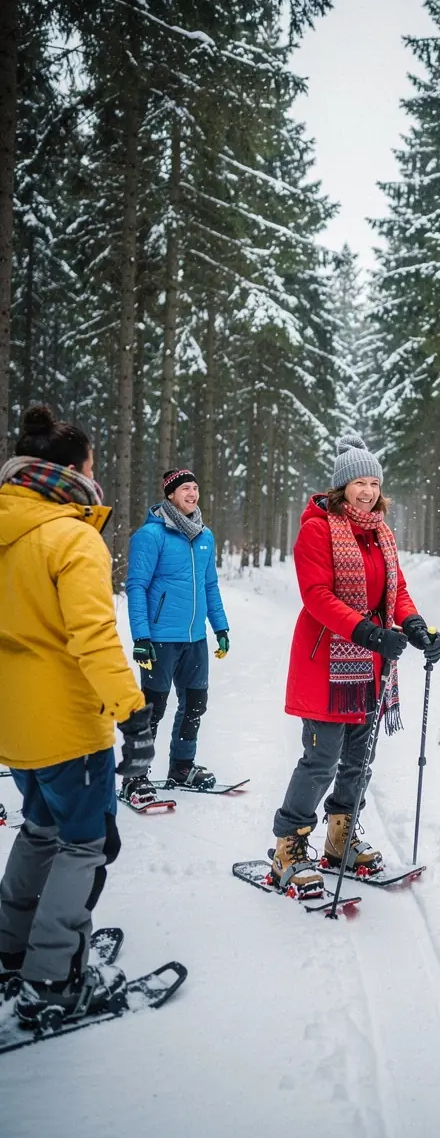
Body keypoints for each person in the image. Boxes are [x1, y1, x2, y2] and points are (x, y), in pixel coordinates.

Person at [0, 405, 154, 1025]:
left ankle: (12, 946)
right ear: (70, 469)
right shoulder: (71, 535)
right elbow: (92, 636)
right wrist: (131, 711)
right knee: (88, 843)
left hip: (15, 720)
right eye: (92, 464)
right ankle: (52, 976)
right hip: (67, 721)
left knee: (40, 829)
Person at [269, 433, 440, 898]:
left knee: (359, 759)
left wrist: (417, 625)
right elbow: (317, 596)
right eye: (358, 482)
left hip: (371, 666)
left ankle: (340, 839)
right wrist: (366, 632)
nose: (366, 490)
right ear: (341, 486)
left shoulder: (380, 532)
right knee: (321, 759)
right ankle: (289, 847)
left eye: (373, 482)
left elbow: (397, 591)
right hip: (327, 661)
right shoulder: (317, 528)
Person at [125, 468, 229, 801]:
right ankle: (135, 775)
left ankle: (182, 766)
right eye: (186, 488)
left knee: (195, 704)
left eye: (196, 488)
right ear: (170, 494)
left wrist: (220, 626)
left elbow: (210, 585)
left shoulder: (204, 536)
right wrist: (141, 636)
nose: (192, 494)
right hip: (160, 638)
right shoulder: (150, 536)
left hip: (195, 639)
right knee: (153, 707)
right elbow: (136, 587)